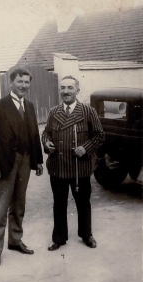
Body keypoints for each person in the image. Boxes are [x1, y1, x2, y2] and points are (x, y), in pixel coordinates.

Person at [0, 68, 43, 267]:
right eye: (20, 82)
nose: (23, 86)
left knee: (19, 204)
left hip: (25, 161)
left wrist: (38, 161)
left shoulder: (30, 106)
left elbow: (34, 135)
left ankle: (15, 240)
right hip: (5, 163)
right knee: (0, 208)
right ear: (11, 83)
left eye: (27, 82)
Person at [41, 75, 105, 251]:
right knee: (59, 204)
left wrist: (86, 148)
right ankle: (59, 238)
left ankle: (86, 235)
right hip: (58, 167)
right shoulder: (54, 112)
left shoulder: (87, 111)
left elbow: (99, 135)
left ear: (77, 90)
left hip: (80, 168)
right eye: (62, 88)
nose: (66, 91)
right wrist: (46, 143)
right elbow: (46, 133)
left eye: (70, 88)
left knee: (83, 203)